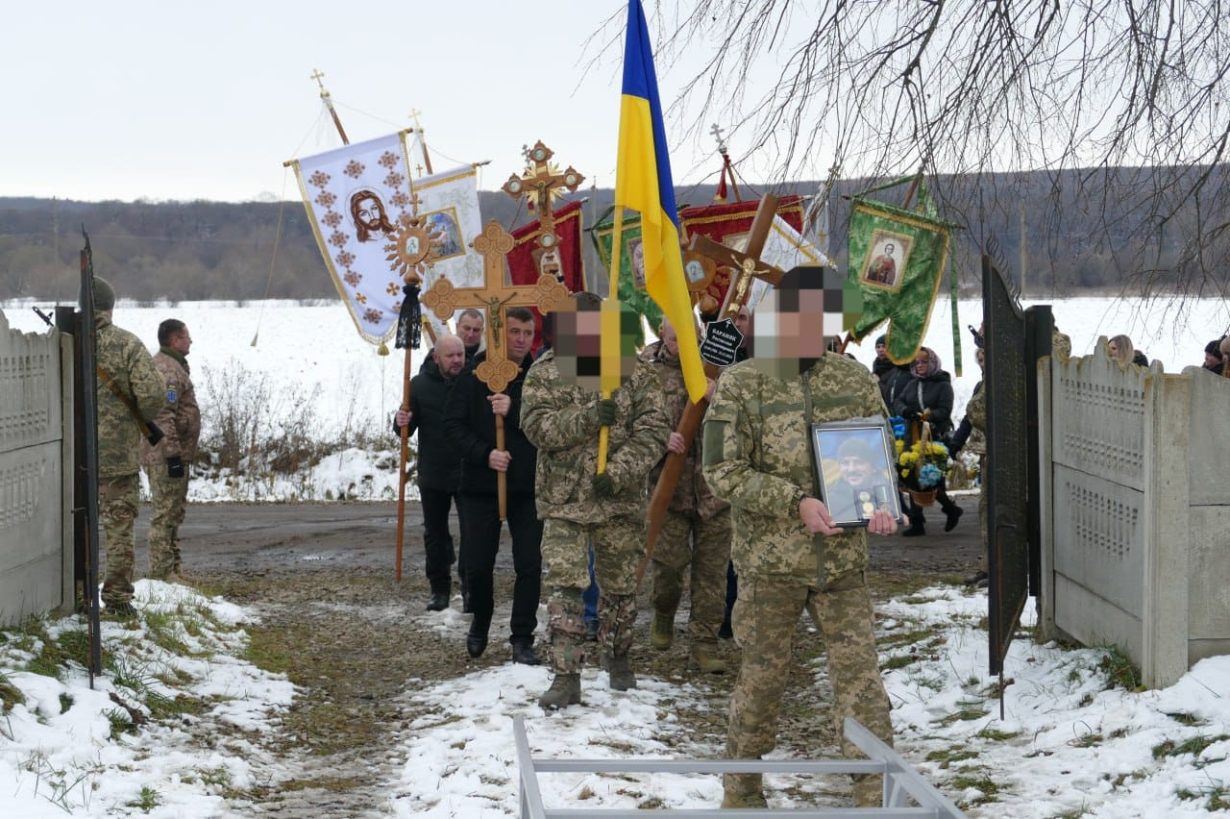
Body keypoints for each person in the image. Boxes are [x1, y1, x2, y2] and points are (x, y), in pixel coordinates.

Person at [702, 265, 896, 808]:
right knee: (763, 682)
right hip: (770, 566)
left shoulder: (854, 379)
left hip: (841, 563)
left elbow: (879, 453)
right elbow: (721, 471)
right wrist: (795, 503)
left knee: (861, 680)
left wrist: (881, 504)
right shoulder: (746, 381)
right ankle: (741, 787)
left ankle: (871, 788)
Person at [521, 292, 670, 708]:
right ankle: (566, 674)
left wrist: (619, 471)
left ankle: (618, 655)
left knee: (620, 587)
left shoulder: (634, 371)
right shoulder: (547, 371)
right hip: (564, 501)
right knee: (565, 587)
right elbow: (537, 429)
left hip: (617, 500)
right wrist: (586, 419)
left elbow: (655, 430)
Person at [444, 308, 543, 665]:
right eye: (514, 331)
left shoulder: (539, 375)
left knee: (530, 563)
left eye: (527, 333)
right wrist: (485, 454)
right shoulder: (474, 375)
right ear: (501, 334)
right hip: (480, 486)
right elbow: (452, 426)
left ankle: (521, 635)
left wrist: (514, 408)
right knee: (479, 563)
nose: (520, 339)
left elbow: (551, 426)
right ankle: (481, 622)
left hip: (527, 487)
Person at [642, 318, 730, 674]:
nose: (683, 345)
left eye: (691, 339)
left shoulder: (719, 367)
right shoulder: (646, 372)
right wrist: (661, 437)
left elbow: (745, 414)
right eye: (676, 338)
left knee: (712, 576)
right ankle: (663, 613)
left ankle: (704, 643)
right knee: (669, 570)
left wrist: (717, 396)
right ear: (663, 334)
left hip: (715, 491)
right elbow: (631, 421)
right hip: (670, 490)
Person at [94, 278, 166, 616]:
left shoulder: (62, 342)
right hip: (117, 458)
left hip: (67, 455)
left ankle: (76, 595)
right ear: (110, 307)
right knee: (118, 527)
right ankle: (118, 600)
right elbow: (152, 397)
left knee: (72, 527)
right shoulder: (126, 344)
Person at [396, 334, 466, 612]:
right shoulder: (419, 385)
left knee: (473, 534)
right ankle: (439, 589)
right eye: (451, 356)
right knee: (435, 534)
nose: (457, 361)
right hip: (434, 471)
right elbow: (406, 427)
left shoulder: (474, 380)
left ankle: (471, 586)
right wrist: (399, 420)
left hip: (468, 470)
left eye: (460, 355)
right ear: (437, 357)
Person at [139, 319, 200, 582]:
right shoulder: (168, 371)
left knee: (174, 512)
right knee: (165, 514)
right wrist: (173, 454)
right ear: (174, 340)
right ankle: (161, 573)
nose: (190, 341)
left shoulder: (174, 367)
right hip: (165, 457)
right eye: (186, 337)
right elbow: (164, 417)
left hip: (173, 455)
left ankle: (173, 569)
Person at [893, 346, 962, 536]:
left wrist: (927, 416)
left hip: (934, 437)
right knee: (911, 476)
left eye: (924, 362)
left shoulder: (943, 385)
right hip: (912, 436)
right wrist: (906, 412)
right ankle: (917, 522)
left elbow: (944, 411)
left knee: (931, 479)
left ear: (932, 363)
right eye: (917, 363)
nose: (920, 366)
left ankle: (951, 509)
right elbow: (898, 401)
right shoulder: (912, 383)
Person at [824, 437, 892, 523]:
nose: (851, 469)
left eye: (859, 462)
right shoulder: (830, 501)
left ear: (873, 467)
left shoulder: (890, 496)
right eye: (845, 463)